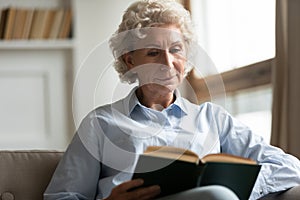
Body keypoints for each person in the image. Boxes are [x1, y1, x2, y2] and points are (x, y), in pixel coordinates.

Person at [44, 0, 300, 200]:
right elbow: (61, 196)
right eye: (154, 53)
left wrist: (240, 188)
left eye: (176, 50)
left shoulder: (213, 119)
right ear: (129, 61)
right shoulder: (100, 123)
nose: (168, 64)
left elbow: (290, 168)